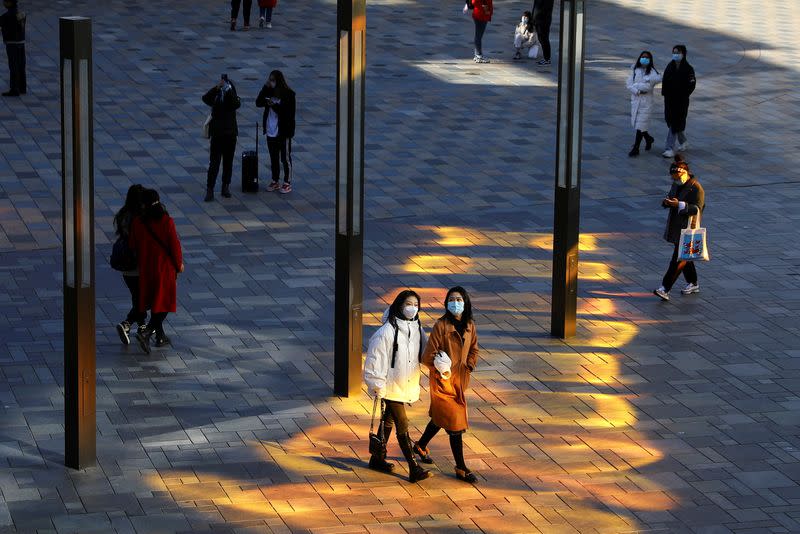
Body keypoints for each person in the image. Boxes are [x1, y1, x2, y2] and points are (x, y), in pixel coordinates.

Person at [363, 290, 433, 483]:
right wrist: (376, 383)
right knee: (402, 423)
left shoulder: (417, 328)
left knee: (388, 420)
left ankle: (377, 458)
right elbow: (374, 359)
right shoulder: (386, 331)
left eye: (416, 304)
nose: (412, 308)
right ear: (400, 305)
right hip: (389, 386)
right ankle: (413, 467)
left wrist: (440, 359)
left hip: (405, 385)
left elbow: (425, 352)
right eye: (408, 304)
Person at [416, 286, 480, 483]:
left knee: (440, 418)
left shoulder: (469, 325)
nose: (455, 303)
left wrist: (468, 366)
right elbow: (428, 356)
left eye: (459, 299)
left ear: (466, 302)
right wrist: (442, 369)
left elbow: (474, 350)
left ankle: (420, 445)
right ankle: (461, 467)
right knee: (455, 425)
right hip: (443, 383)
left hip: (460, 382)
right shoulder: (441, 326)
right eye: (451, 299)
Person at [129, 189, 184, 353]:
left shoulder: (138, 222)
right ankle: (147, 332)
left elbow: (132, 244)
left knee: (155, 302)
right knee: (164, 303)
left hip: (146, 268)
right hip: (164, 269)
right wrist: (179, 264)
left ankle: (160, 336)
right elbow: (175, 247)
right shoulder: (167, 221)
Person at [653, 156, 704, 301]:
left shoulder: (696, 188)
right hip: (676, 227)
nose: (675, 180)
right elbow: (671, 197)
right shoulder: (676, 185)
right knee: (685, 257)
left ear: (685, 173)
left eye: (677, 176)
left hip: (689, 228)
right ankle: (693, 283)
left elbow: (697, 208)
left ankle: (665, 288)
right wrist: (667, 202)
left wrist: (680, 205)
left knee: (678, 259)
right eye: (673, 177)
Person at [114, 184, 147, 345]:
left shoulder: (122, 215)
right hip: (139, 266)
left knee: (138, 298)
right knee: (144, 300)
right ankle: (127, 324)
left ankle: (142, 326)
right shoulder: (140, 218)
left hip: (126, 267)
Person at [255, 70, 296, 194]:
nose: (271, 82)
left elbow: (288, 113)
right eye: (270, 79)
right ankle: (275, 180)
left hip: (283, 131)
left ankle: (287, 182)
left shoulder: (288, 94)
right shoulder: (269, 91)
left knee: (285, 158)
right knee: (273, 157)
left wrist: (274, 105)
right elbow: (258, 102)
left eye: (273, 80)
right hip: (270, 130)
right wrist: (264, 87)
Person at [202, 75, 241, 202]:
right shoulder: (217, 96)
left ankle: (225, 186)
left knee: (228, 162)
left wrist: (228, 90)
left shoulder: (232, 98)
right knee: (214, 163)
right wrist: (216, 88)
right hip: (217, 134)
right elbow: (205, 98)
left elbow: (235, 104)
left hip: (230, 134)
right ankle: (210, 189)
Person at [661, 44, 696, 158]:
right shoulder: (669, 66)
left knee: (676, 122)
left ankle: (669, 148)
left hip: (681, 101)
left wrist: (684, 93)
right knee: (672, 121)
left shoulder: (688, 69)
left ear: (683, 54)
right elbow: (665, 81)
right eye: (674, 52)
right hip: (670, 100)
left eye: (678, 52)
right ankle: (684, 142)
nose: (676, 54)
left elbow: (692, 84)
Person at [625, 51, 661, 157]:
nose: (644, 59)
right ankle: (649, 139)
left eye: (647, 57)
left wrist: (638, 85)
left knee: (640, 124)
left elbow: (648, 87)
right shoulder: (635, 70)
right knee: (638, 124)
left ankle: (636, 148)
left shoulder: (653, 73)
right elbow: (629, 84)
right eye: (643, 57)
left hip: (646, 103)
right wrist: (637, 90)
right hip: (636, 101)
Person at [0, 0, 26, 97]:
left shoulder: (6, 16)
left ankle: (14, 89)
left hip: (12, 44)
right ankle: (22, 87)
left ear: (9, 3)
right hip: (21, 42)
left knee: (13, 66)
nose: (3, 2)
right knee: (21, 65)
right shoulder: (21, 13)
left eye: (5, 1)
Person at [531, 0, 554, 66]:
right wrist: (533, 19)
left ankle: (547, 59)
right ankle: (545, 58)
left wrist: (536, 18)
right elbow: (535, 7)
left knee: (544, 39)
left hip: (544, 21)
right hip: (538, 20)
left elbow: (545, 9)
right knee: (541, 39)